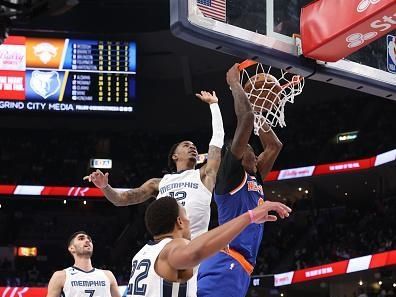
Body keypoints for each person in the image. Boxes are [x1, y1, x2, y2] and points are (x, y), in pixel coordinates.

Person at [85, 90, 224, 239]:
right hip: (165, 249)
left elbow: (216, 142)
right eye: (186, 145)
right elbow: (121, 200)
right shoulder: (157, 183)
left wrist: (214, 105)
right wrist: (105, 187)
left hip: (194, 248)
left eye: (194, 146)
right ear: (174, 156)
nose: (192, 147)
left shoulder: (204, 174)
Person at [197, 64, 284, 297]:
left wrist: (258, 114)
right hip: (226, 259)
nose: (251, 149)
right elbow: (244, 119)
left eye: (253, 148)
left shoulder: (255, 176)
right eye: (245, 146)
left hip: (238, 265)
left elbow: (275, 146)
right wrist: (234, 84)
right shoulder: (229, 177)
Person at [126, 196, 291, 297]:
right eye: (186, 216)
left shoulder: (142, 254)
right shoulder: (174, 246)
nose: (189, 221)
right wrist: (250, 216)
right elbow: (194, 253)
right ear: (180, 222)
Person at [46, 232, 121, 297]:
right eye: (81, 239)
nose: (87, 241)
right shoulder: (60, 276)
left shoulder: (108, 275)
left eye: (89, 239)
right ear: (72, 248)